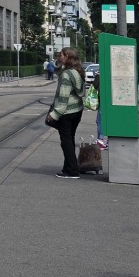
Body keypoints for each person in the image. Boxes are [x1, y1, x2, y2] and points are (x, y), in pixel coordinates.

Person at [46, 46, 86, 179]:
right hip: (77, 110)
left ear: (67, 57)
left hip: (67, 112)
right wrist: (59, 64)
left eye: (61, 55)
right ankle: (68, 168)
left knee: (66, 142)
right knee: (69, 140)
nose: (58, 57)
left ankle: (73, 171)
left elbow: (63, 97)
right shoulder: (76, 71)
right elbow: (81, 92)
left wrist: (54, 114)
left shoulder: (67, 75)